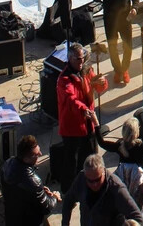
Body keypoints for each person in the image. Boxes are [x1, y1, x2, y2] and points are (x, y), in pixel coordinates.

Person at [56, 43, 107, 193]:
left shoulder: (86, 70)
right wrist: (84, 109)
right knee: (71, 162)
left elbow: (97, 87)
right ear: (70, 58)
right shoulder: (64, 79)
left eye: (83, 58)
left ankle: (90, 186)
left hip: (88, 124)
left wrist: (102, 83)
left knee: (91, 157)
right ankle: (68, 192)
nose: (81, 62)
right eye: (78, 59)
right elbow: (71, 99)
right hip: (73, 128)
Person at [91, 113, 143, 213]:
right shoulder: (142, 148)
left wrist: (96, 123)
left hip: (125, 182)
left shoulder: (120, 146)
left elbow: (101, 142)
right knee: (137, 209)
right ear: (137, 132)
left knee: (124, 203)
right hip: (139, 184)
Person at [93, 0, 139, 84]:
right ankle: (118, 71)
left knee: (127, 45)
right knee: (112, 47)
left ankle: (125, 70)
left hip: (125, 20)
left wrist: (134, 8)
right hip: (110, 20)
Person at [61, 154, 143, 226]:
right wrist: (65, 223)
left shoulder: (116, 189)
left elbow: (138, 218)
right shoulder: (81, 179)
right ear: (85, 176)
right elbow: (68, 200)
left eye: (97, 179)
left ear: (104, 171)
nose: (94, 184)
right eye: (90, 181)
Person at [2, 135, 61, 226]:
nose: (41, 154)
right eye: (37, 154)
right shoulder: (33, 182)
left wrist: (40, 190)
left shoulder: (8, 163)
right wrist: (55, 197)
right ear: (26, 159)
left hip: (11, 216)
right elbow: (46, 207)